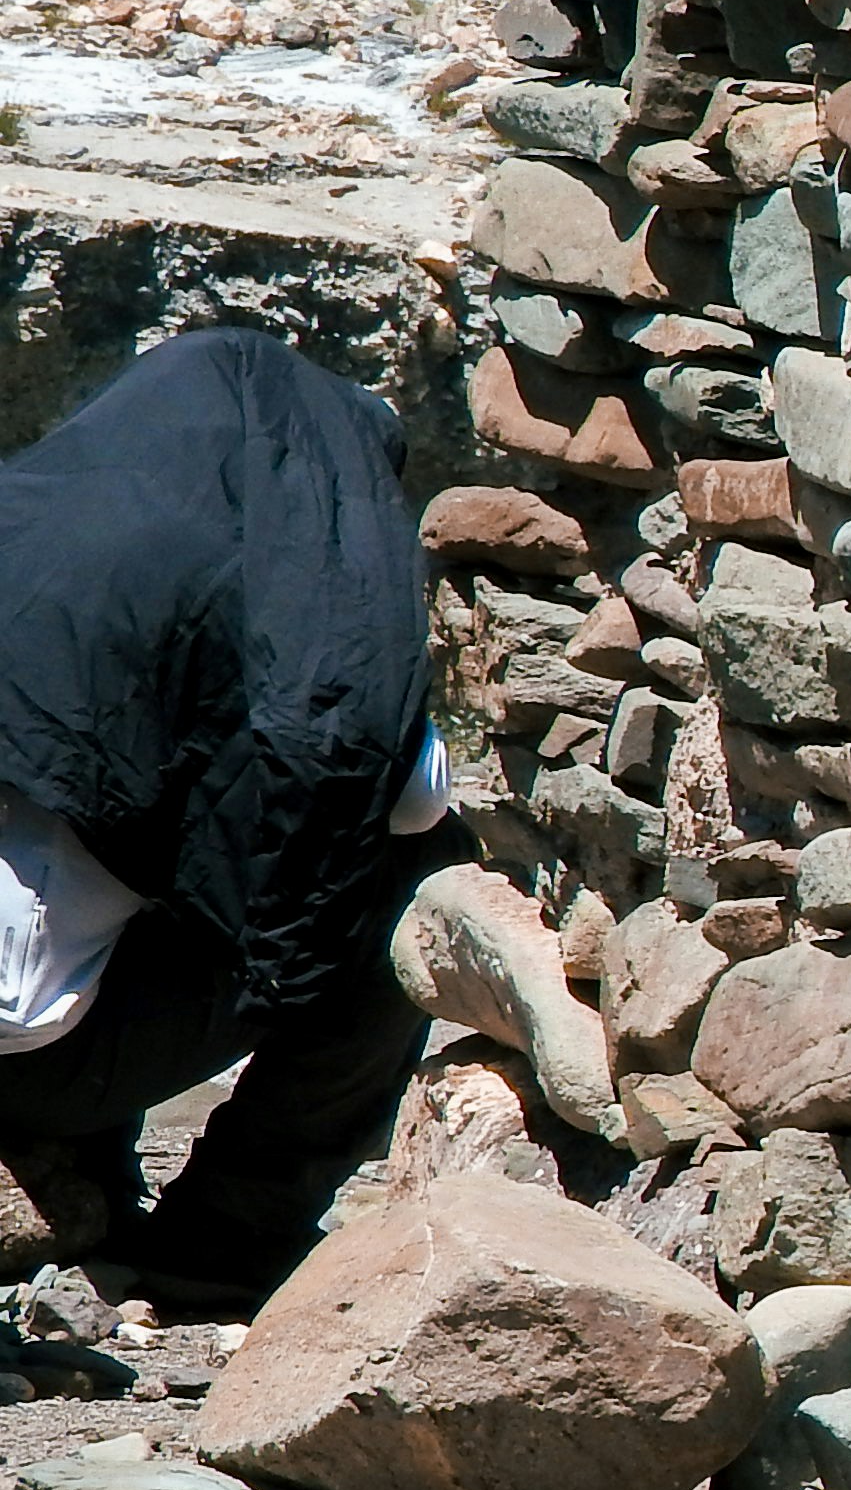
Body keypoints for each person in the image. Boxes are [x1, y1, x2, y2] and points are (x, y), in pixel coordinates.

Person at [0, 330, 601, 1306]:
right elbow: (402, 797)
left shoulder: (25, 513)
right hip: (33, 1061)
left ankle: (92, 1182)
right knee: (411, 876)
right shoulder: (273, 597)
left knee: (132, 826)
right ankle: (228, 1235)